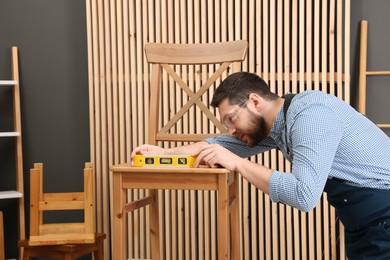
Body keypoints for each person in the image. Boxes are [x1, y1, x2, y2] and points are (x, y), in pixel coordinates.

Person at [131, 71, 390, 259]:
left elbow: (304, 194)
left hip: (384, 221)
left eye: (231, 119)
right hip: (364, 228)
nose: (231, 130)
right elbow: (217, 144)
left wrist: (237, 164)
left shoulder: (309, 115)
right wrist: (166, 152)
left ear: (255, 102)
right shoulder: (279, 127)